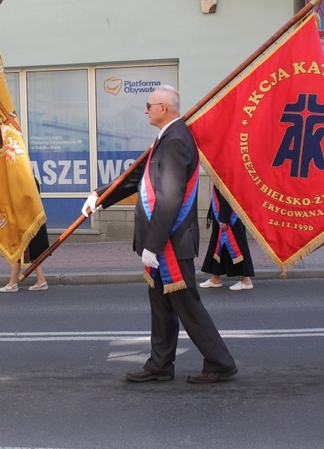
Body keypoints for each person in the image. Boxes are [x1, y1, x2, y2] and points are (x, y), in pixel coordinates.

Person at [82, 85, 237, 384]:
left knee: (188, 306)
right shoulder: (167, 138)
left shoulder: (176, 140)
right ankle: (161, 363)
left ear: (164, 108)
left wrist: (153, 245)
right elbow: (138, 178)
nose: (145, 110)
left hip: (170, 245)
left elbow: (169, 198)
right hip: (164, 243)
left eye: (149, 105)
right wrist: (98, 196)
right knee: (162, 306)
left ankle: (220, 361)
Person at [199, 185, 255, 291]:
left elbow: (228, 194)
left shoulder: (229, 172)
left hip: (230, 216)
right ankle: (215, 278)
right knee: (217, 246)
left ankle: (246, 280)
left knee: (238, 245)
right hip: (220, 214)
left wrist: (223, 218)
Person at [0, 177, 49, 292]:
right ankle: (41, 281)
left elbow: (20, 202)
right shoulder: (31, 179)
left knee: (18, 252)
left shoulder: (23, 181)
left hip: (25, 222)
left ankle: (12, 284)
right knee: (33, 254)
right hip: (33, 220)